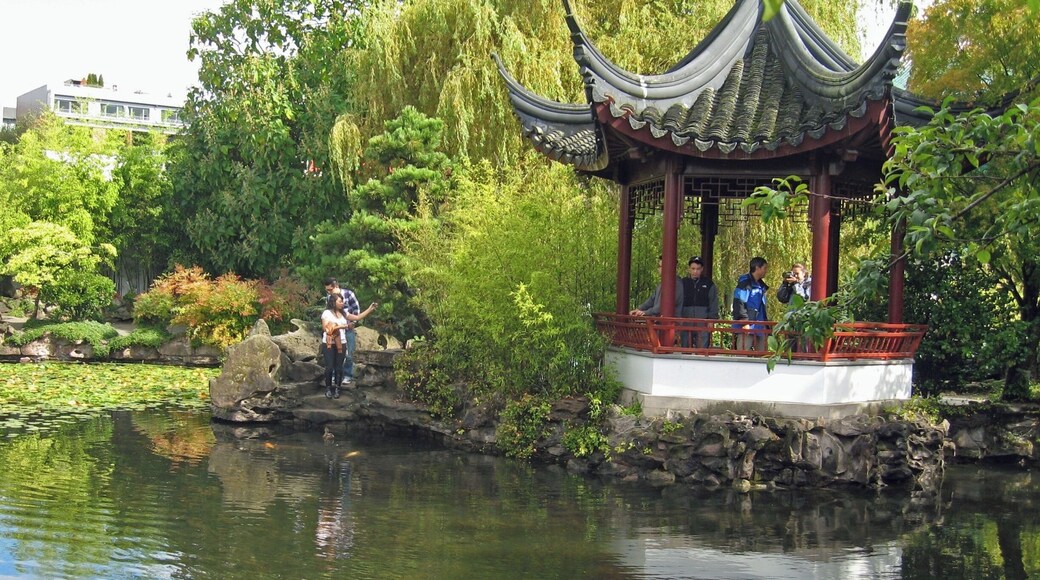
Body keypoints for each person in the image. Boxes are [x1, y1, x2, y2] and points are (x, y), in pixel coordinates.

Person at [321, 294, 378, 399]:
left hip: (341, 343)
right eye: (340, 301)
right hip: (329, 343)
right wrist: (344, 326)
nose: (342, 303)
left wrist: (370, 309)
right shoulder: (327, 313)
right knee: (329, 367)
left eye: (342, 301)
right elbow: (326, 328)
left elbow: (357, 317)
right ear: (333, 302)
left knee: (339, 367)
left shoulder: (343, 313)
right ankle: (328, 388)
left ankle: (338, 388)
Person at [324, 277, 362, 385]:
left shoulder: (349, 294)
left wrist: (353, 323)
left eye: (330, 290)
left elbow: (356, 310)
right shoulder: (329, 298)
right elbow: (328, 312)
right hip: (336, 330)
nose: (329, 292)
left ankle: (347, 375)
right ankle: (334, 375)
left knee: (349, 353)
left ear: (336, 286)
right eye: (327, 290)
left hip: (348, 328)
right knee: (335, 353)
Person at [680, 256, 718, 348]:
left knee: (702, 349)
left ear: (702, 269)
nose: (695, 271)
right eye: (693, 269)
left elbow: (713, 302)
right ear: (689, 269)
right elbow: (677, 301)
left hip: (703, 320)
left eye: (698, 269)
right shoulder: (683, 283)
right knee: (685, 347)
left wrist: (711, 319)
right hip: (686, 319)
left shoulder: (709, 284)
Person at [732, 256, 769, 351]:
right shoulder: (745, 283)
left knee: (762, 353)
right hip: (748, 323)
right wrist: (744, 320)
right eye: (764, 268)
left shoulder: (761, 285)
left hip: (760, 324)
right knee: (743, 351)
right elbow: (739, 302)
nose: (766, 271)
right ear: (757, 268)